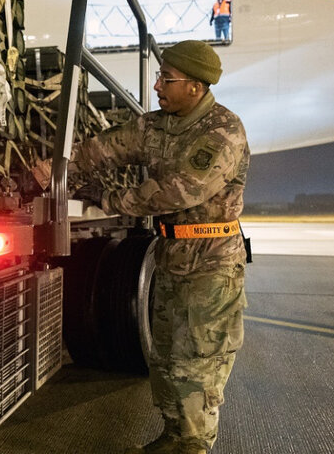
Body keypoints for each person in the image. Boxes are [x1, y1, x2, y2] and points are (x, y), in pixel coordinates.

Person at [64, 40, 249, 454]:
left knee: (196, 364)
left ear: (196, 88)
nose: (158, 86)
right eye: (160, 76)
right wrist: (67, 163)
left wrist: (110, 201)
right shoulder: (157, 124)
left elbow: (179, 190)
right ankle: (175, 437)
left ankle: (192, 445)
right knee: (165, 360)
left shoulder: (222, 131)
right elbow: (110, 146)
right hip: (171, 257)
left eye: (167, 79)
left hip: (210, 266)